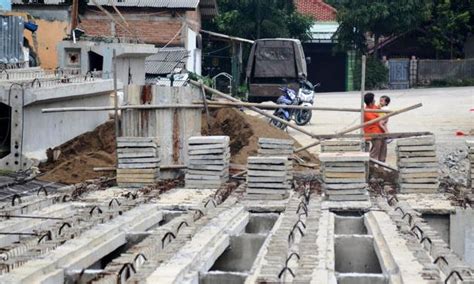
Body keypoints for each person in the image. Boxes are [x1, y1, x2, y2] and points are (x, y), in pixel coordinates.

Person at [364, 92, 387, 162]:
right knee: (376, 150)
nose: (375, 100)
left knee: (383, 149)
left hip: (381, 132)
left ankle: (381, 167)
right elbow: (378, 119)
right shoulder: (366, 112)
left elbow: (379, 108)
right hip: (374, 134)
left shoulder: (374, 107)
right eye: (373, 99)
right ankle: (371, 166)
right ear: (370, 102)